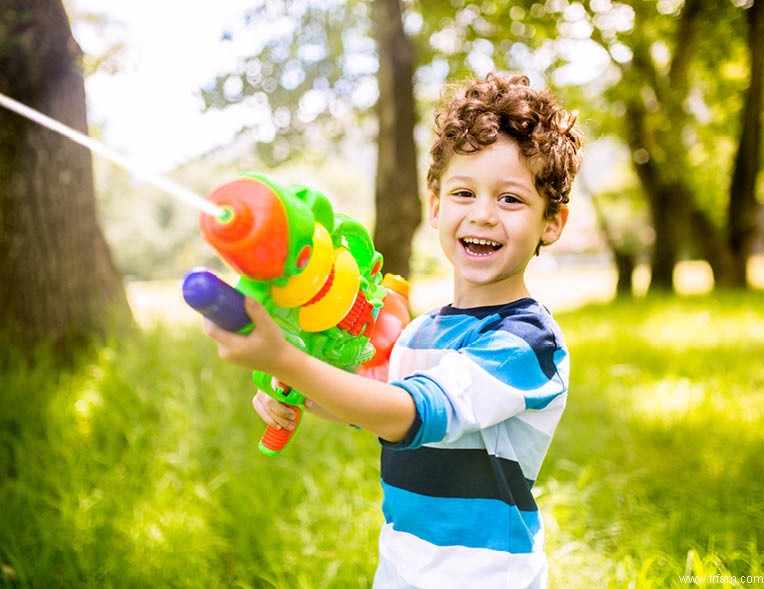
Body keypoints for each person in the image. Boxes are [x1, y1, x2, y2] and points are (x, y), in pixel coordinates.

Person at [204, 72, 583, 589]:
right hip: (403, 567)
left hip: (487, 577)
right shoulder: (424, 330)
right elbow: (374, 406)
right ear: (435, 204)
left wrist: (286, 361)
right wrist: (297, 394)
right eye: (464, 192)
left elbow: (409, 415)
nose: (483, 215)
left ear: (552, 222)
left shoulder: (526, 341)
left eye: (511, 200)